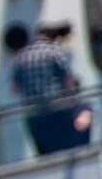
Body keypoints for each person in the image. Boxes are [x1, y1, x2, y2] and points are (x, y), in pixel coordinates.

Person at [10, 21, 90, 155]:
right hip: (57, 110)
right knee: (67, 150)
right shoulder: (53, 50)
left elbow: (14, 88)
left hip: (34, 114)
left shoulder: (22, 56)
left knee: (46, 154)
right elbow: (67, 80)